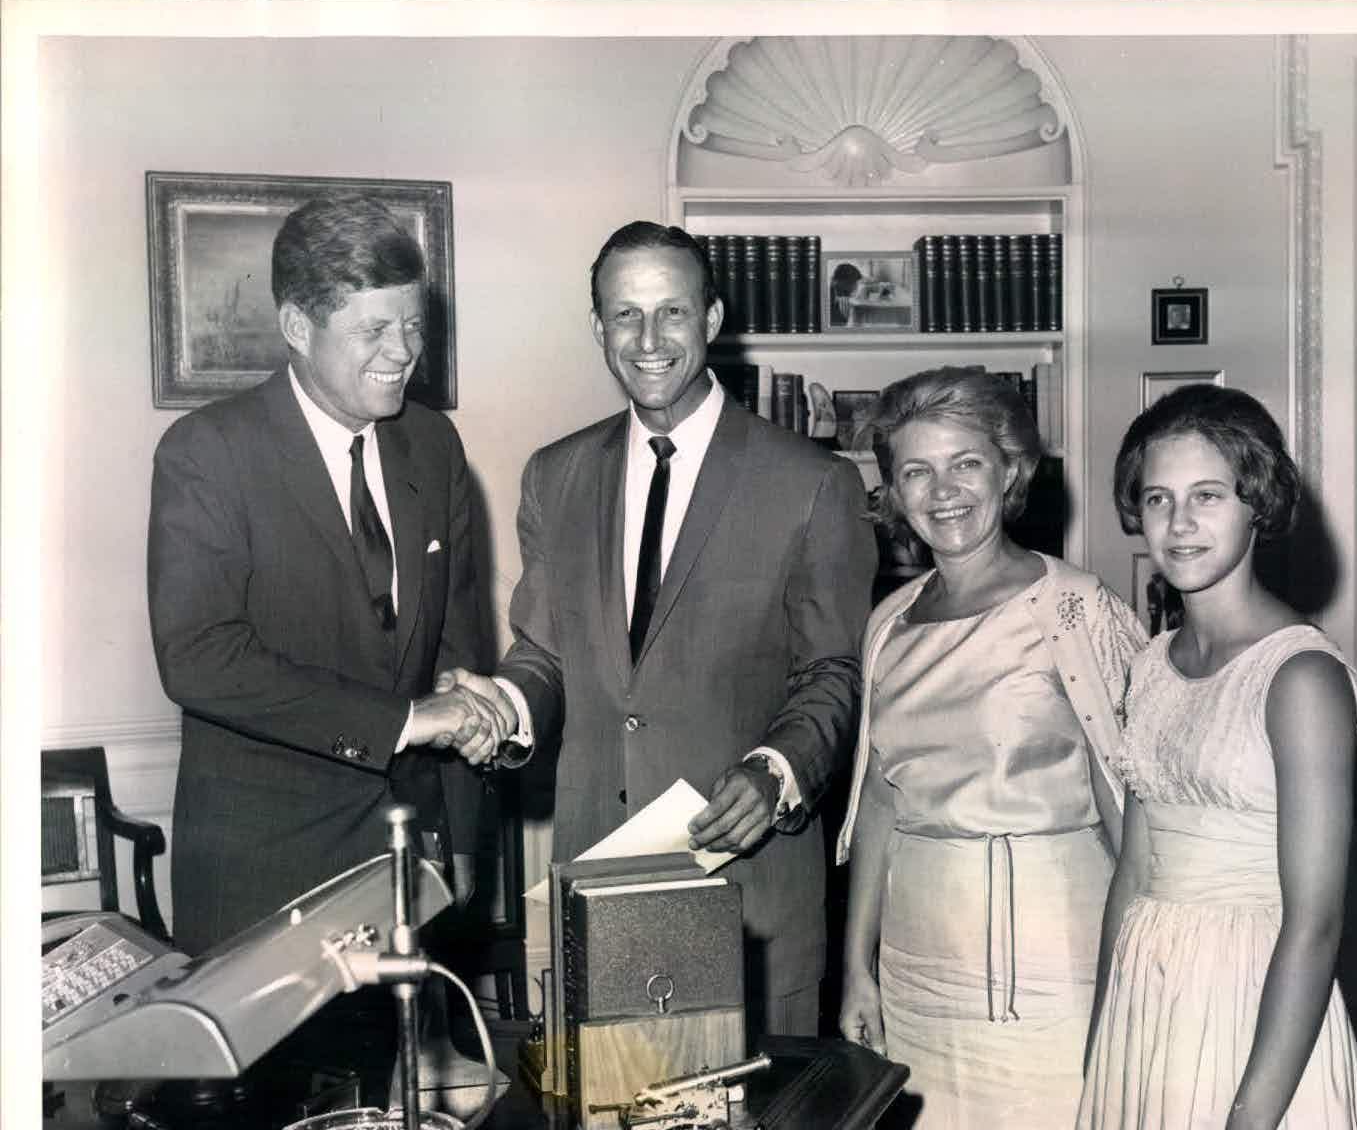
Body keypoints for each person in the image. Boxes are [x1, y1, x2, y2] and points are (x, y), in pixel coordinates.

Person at [441, 220, 877, 1039]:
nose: (649, 339)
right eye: (625, 315)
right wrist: (502, 705)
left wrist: (777, 770)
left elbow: (833, 671)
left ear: (712, 318)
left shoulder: (811, 482)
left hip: (747, 896)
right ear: (598, 328)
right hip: (600, 892)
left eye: (671, 312)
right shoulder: (555, 474)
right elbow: (544, 654)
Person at [148, 194, 498, 956]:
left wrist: (461, 834)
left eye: (413, 325)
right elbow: (199, 657)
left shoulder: (434, 448)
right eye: (373, 329)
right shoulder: (208, 452)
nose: (403, 351)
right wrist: (401, 722)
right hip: (262, 885)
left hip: (407, 869)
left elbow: (455, 651)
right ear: (298, 329)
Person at [835, 365, 1147, 1130]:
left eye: (965, 462)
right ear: (894, 493)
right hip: (914, 970)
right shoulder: (888, 622)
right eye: (916, 470)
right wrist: (856, 968)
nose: (942, 491)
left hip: (1054, 967)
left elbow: (1134, 812)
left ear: (1010, 469)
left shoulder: (1075, 608)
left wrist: (1135, 984)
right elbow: (879, 799)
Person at [1069, 384, 1357, 1130]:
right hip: (1149, 991)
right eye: (1158, 498)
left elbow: (1316, 921)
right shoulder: (1150, 663)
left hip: (1254, 1007)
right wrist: (1105, 1038)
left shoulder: (1301, 676)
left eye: (1208, 496)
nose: (1179, 522)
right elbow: (1133, 870)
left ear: (1257, 504)